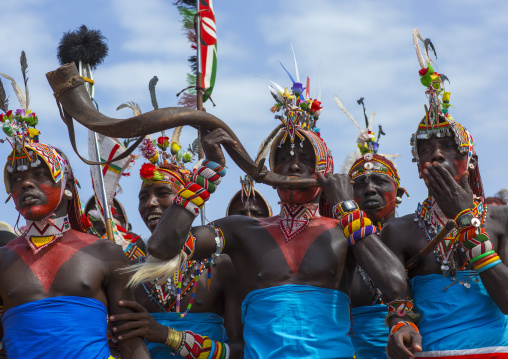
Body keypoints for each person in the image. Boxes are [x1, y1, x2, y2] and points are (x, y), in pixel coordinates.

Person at [140, 66, 407, 358]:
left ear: (324, 171)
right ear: (271, 170)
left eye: (306, 159)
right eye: (284, 159)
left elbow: (394, 284)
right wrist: (207, 174)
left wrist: (347, 206)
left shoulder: (343, 232)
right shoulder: (240, 231)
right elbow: (162, 246)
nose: (293, 166)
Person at [0, 63, 149, 358]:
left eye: (40, 175)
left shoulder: (105, 253)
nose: (26, 184)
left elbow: (132, 346)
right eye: (15, 179)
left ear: (68, 187)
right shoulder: (2, 259)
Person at [384, 29, 508, 358]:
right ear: (417, 163)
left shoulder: (500, 220)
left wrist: (466, 222)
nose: (437, 155)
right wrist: (400, 326)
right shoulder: (399, 230)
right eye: (426, 149)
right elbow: (400, 305)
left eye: (449, 147)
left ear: (470, 160)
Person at [109, 129, 244, 358]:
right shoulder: (129, 272)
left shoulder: (220, 268)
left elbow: (239, 352)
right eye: (143, 197)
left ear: (185, 200)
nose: (150, 203)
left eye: (162, 192)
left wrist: (166, 335)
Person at [338, 98, 407, 359]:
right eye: (359, 184)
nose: (369, 189)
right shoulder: (337, 245)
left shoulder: (415, 235)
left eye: (379, 181)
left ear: (398, 192)